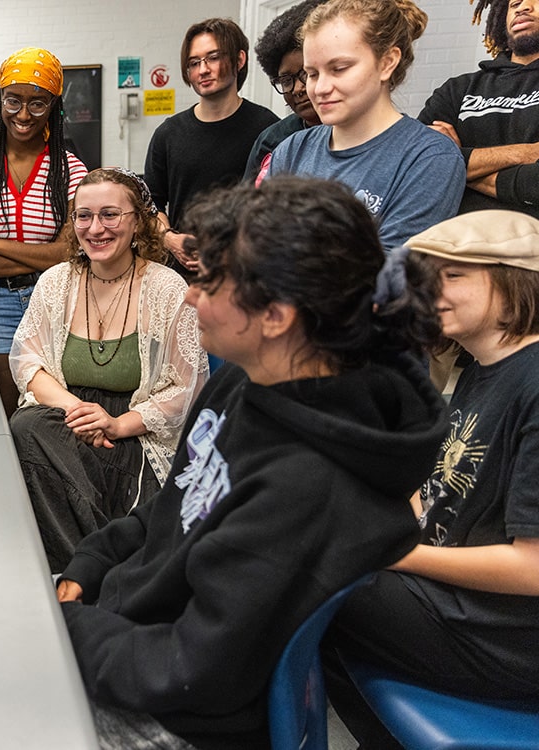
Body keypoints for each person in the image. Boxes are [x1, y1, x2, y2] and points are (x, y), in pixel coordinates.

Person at [56, 175, 449, 750]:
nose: (191, 296)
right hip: (130, 631)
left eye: (211, 283)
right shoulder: (246, 382)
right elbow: (171, 507)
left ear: (277, 315)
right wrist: (89, 564)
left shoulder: (308, 483)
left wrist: (63, 629)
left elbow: (194, 669)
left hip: (178, 713)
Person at [322, 210, 539, 749]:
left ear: (517, 279)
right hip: (460, 605)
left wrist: (391, 552)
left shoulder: (534, 382)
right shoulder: (484, 370)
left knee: (298, 576)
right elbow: (443, 494)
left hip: (510, 636)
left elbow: (533, 568)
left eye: (454, 275)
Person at [8, 168, 207, 573]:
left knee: (44, 455)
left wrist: (116, 425)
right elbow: (28, 361)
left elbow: (190, 388)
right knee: (30, 428)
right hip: (69, 424)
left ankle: (84, 571)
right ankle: (100, 568)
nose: (95, 228)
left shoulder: (168, 289)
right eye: (83, 216)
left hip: (135, 437)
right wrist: (77, 410)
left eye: (110, 215)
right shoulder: (56, 283)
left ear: (137, 222)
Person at [0, 47, 88, 418]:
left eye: (38, 104)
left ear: (54, 107)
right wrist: (38, 255)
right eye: (13, 101)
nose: (23, 115)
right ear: (0, 101)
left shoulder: (71, 170)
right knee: (7, 410)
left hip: (55, 299)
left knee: (54, 409)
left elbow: (68, 254)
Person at [267, 0, 466, 249]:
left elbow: (392, 274)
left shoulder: (429, 158)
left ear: (387, 63)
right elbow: (257, 247)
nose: (320, 89)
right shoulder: (292, 150)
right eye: (312, 74)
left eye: (339, 69)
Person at [143, 18, 278, 276]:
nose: (203, 70)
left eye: (213, 58)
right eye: (194, 63)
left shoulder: (267, 129)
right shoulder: (168, 134)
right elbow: (150, 206)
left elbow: (275, 209)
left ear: (239, 60)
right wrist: (171, 240)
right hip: (182, 273)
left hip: (245, 274)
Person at [417, 0, 539, 218]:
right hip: (448, 239)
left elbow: (535, 185)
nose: (522, 7)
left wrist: (454, 164)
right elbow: (417, 164)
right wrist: (527, 152)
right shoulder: (457, 89)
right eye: (514, 4)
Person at [244, 0, 327, 183]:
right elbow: (246, 205)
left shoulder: (354, 134)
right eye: (286, 80)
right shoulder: (273, 140)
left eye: (306, 74)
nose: (298, 89)